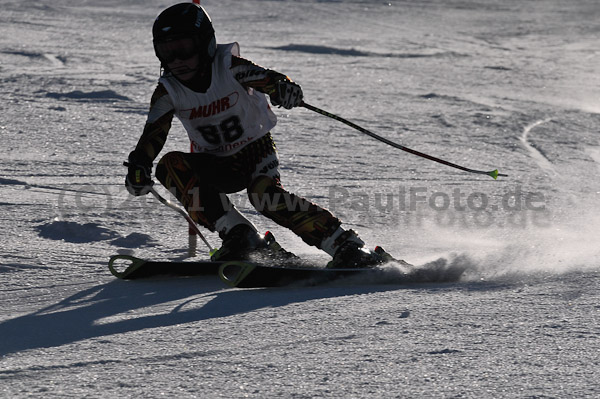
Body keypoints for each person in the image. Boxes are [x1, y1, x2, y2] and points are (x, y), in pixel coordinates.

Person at [125, 2, 391, 267]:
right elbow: (154, 134)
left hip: (255, 150)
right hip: (215, 163)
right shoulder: (168, 91)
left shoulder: (228, 67)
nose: (177, 61)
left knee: (265, 196)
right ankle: (241, 236)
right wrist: (139, 164)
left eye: (184, 49)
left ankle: (345, 243)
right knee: (170, 166)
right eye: (167, 52)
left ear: (205, 43)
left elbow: (266, 78)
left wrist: (282, 88)